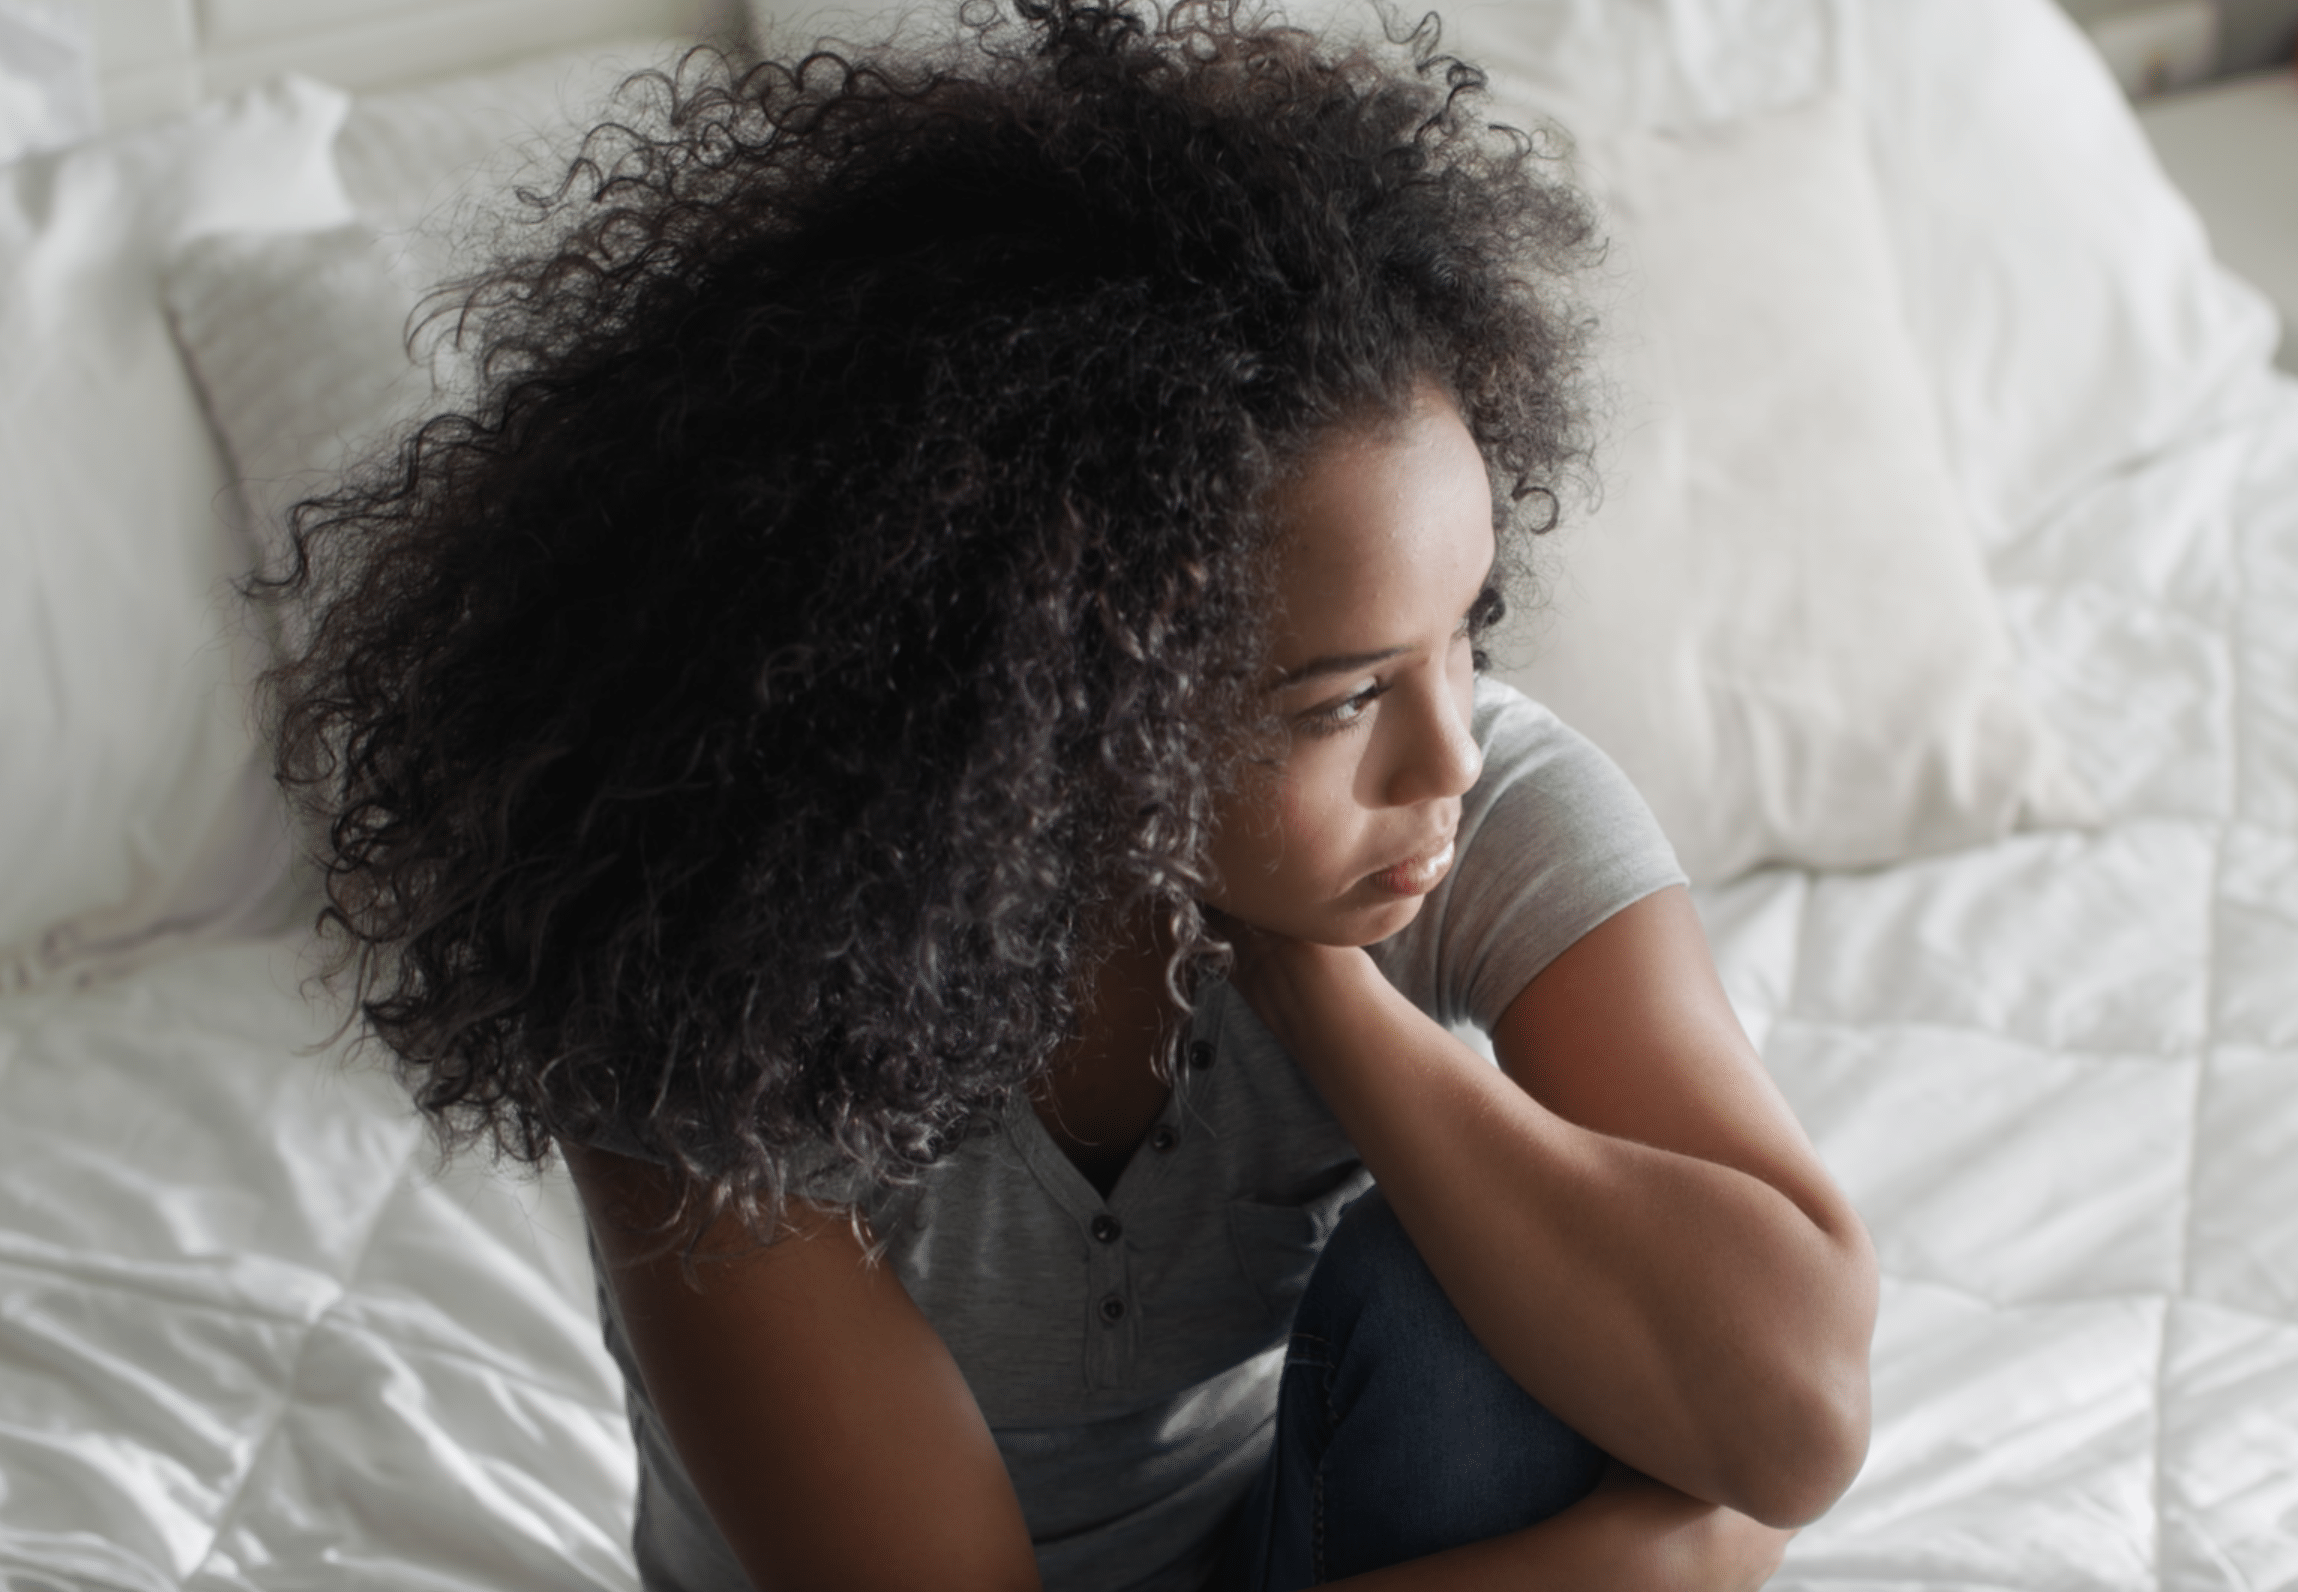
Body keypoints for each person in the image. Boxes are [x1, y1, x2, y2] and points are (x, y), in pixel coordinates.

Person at [261, 3, 1877, 1587]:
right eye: (1344, 697)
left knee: (1498, 1302)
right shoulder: (707, 977)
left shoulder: (1458, 807)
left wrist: (1312, 981)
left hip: (1279, 1535)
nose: (1448, 753)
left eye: (1468, 635)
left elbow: (1794, 1416)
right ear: (1063, 697)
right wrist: (1661, 1564)